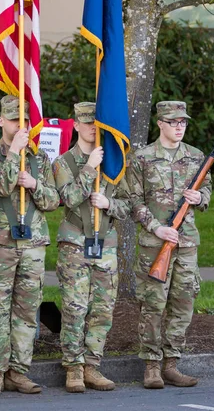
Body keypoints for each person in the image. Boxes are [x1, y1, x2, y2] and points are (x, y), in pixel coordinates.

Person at [0, 94, 60, 396]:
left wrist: (35, 185)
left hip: (33, 244)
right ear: (2, 121)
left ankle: (18, 371)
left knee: (26, 310)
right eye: (13, 120)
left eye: (25, 120)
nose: (20, 125)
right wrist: (14, 154)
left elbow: (52, 201)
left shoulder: (40, 159)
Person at [127, 101, 212, 389]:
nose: (179, 127)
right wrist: (157, 228)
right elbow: (134, 202)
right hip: (155, 243)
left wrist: (201, 199)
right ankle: (151, 366)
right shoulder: (143, 158)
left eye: (183, 122)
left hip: (187, 243)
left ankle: (171, 363)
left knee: (183, 303)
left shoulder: (197, 157)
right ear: (160, 123)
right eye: (173, 122)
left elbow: (207, 188)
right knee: (153, 304)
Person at [52, 102, 131, 393]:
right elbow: (70, 198)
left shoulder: (115, 163)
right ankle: (73, 368)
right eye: (86, 123)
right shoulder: (63, 163)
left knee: (102, 309)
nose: (91, 128)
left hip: (106, 243)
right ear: (75, 125)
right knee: (75, 308)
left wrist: (109, 203)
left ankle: (92, 366)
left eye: (95, 124)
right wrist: (89, 168)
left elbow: (129, 204)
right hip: (74, 242)